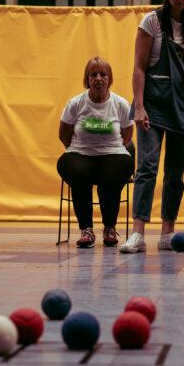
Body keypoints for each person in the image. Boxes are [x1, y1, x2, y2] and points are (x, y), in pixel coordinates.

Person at [120, 0, 184, 253]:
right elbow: (139, 67)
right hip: (153, 104)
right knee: (147, 167)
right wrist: (139, 107)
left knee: (175, 173)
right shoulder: (151, 21)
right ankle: (137, 233)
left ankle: (167, 232)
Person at [57, 57, 135, 248]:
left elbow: (128, 135)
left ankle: (109, 228)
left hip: (113, 154)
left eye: (103, 74)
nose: (98, 78)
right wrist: (79, 151)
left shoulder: (121, 104)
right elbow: (64, 134)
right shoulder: (76, 103)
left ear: (110, 78)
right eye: (93, 74)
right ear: (87, 79)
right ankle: (86, 230)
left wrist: (112, 149)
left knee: (112, 176)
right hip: (81, 153)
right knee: (78, 173)